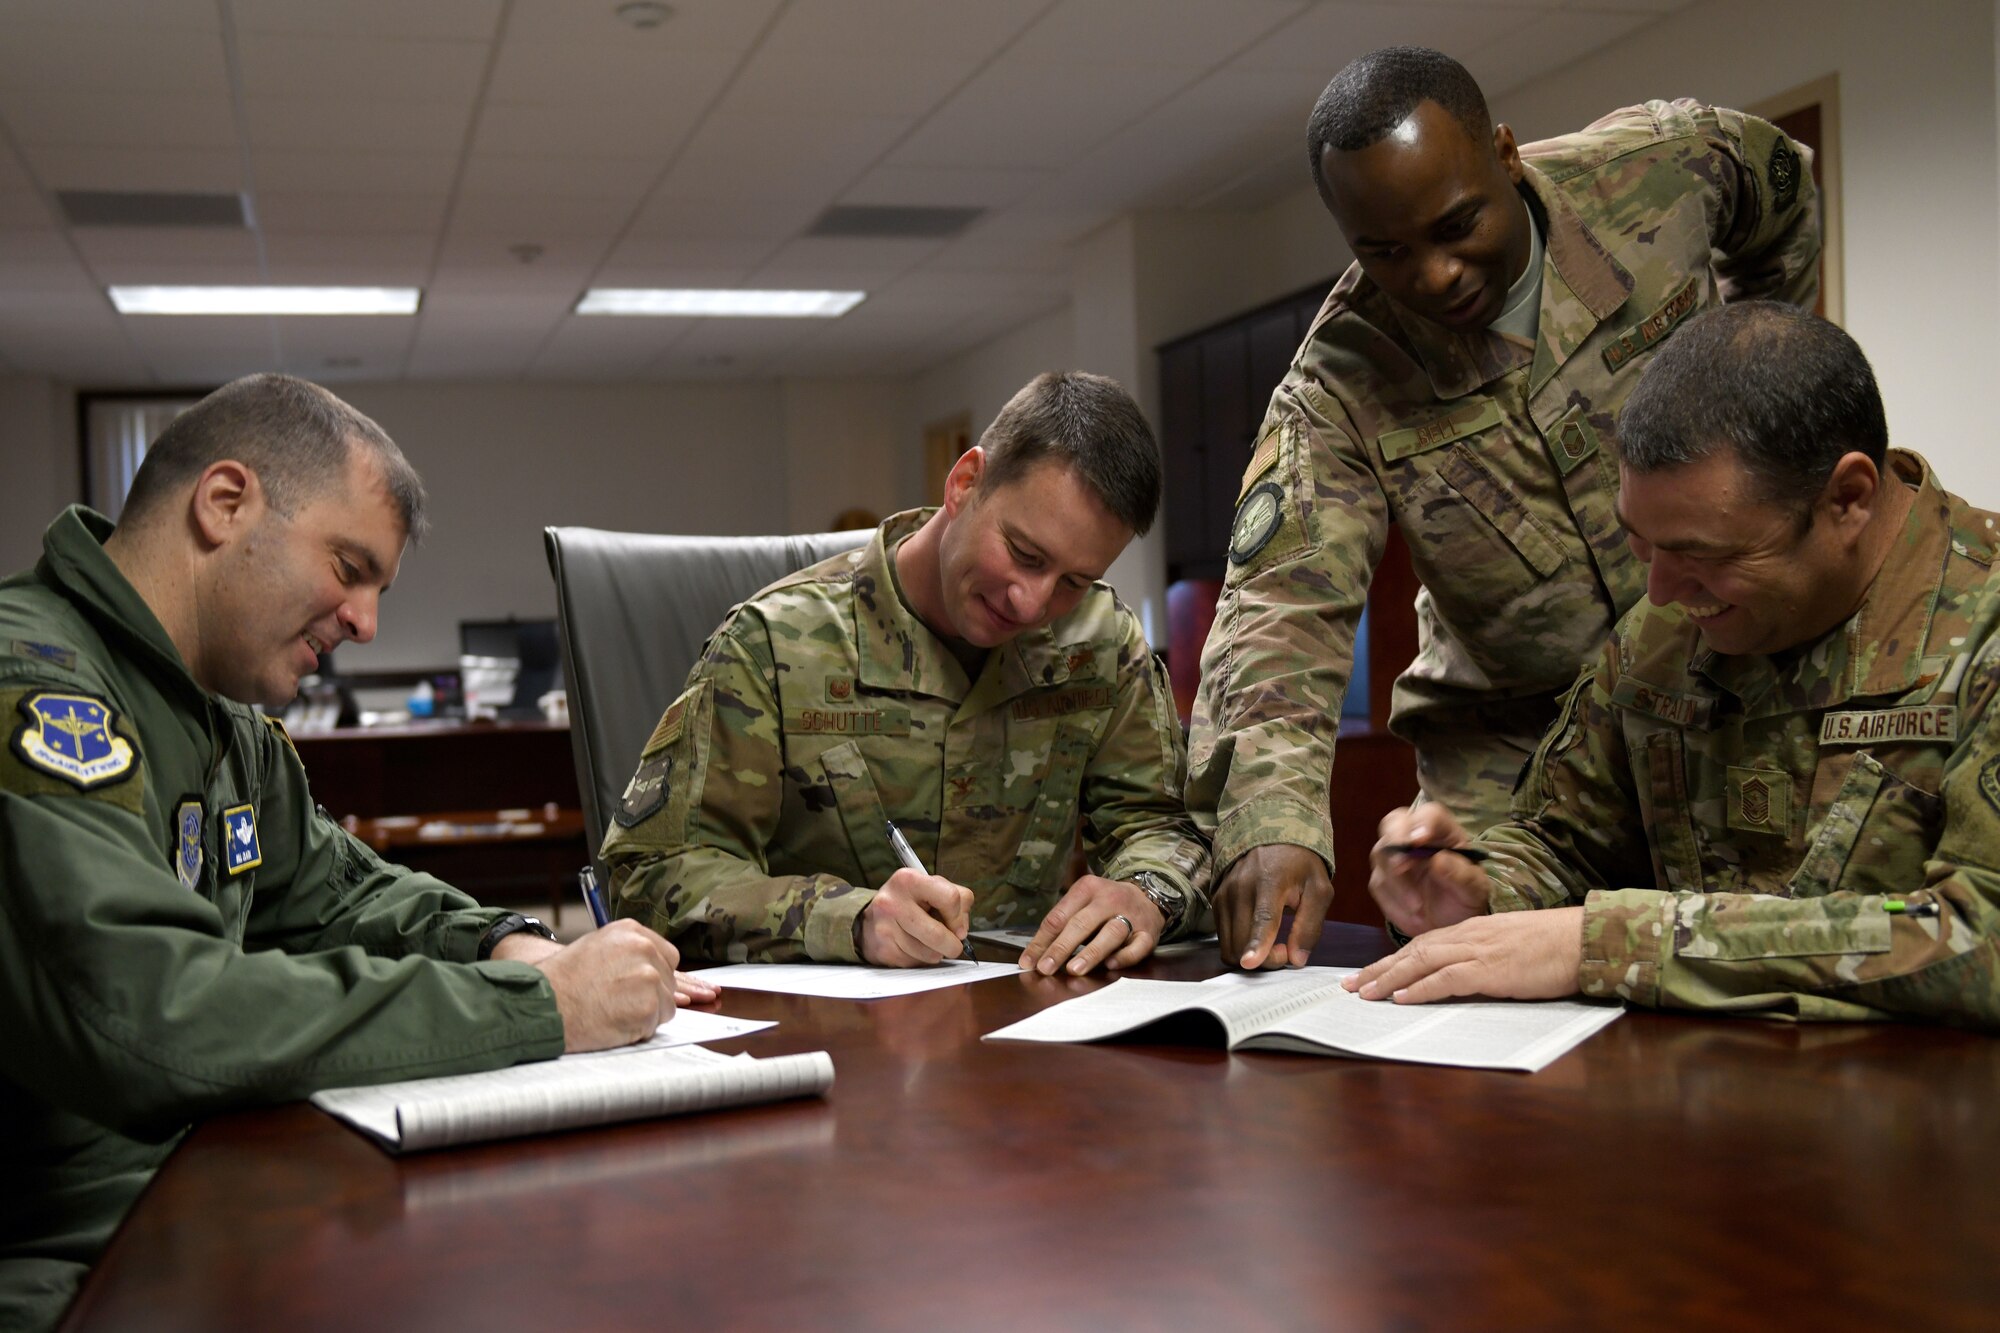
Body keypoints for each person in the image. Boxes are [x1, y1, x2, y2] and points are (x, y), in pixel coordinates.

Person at [0, 373, 713, 1330]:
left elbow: (344, 891)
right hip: (69, 1259)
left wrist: (509, 942)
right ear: (224, 504)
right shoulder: (39, 690)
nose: (365, 623)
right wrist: (541, 1004)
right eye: (348, 566)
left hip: (205, 1194)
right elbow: (152, 1012)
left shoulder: (222, 723)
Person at [1187, 45, 1822, 971]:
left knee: (1771, 959)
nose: (1437, 275)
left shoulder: (1661, 166)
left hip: (1734, 675)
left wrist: (1774, 394)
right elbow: (1278, 618)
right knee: (1470, 982)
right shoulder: (1337, 386)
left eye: (1458, 225)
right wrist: (1275, 821)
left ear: (1507, 155)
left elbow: (1785, 198)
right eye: (1388, 252)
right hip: (1512, 737)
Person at [1348, 303, 1999, 1029]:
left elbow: (1986, 935)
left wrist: (1613, 945)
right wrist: (1474, 889)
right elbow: (1565, 844)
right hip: (1676, 1102)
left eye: (1705, 555)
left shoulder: (1983, 625)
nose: (1659, 591)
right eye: (1641, 544)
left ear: (1848, 499)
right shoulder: (1666, 631)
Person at [602, 371, 1209, 974]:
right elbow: (653, 877)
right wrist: (851, 919)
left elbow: (1158, 825)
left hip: (1025, 1018)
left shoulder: (1099, 644)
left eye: (1073, 582)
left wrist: (1147, 892)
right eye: (1025, 555)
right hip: (828, 1035)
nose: (1031, 603)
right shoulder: (775, 646)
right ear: (965, 483)